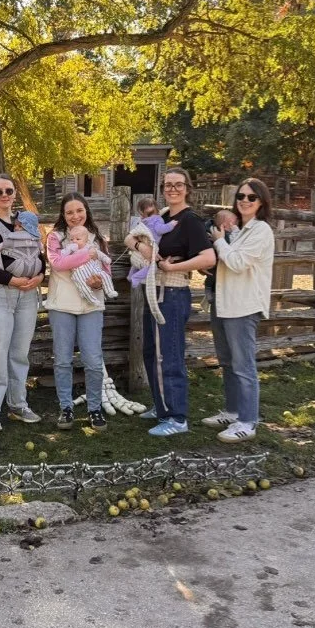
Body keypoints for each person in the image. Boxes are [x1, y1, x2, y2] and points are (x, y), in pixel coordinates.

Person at [124, 168, 215, 436]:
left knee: (169, 355)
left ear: (187, 188)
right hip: (155, 290)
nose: (172, 189)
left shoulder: (190, 221)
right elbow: (134, 238)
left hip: (172, 294)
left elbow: (208, 258)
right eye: (167, 185)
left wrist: (174, 267)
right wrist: (141, 247)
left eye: (178, 185)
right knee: (152, 352)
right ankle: (161, 406)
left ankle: (177, 417)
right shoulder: (162, 216)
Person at [203, 179, 275, 443]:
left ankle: (248, 421)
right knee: (227, 361)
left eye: (251, 197)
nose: (245, 200)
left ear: (262, 203)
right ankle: (233, 412)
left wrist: (219, 241)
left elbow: (238, 263)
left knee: (243, 365)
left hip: (243, 306)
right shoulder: (238, 229)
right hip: (223, 303)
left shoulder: (261, 231)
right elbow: (223, 264)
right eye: (241, 196)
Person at [0, 174, 45, 433]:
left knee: (19, 353)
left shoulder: (24, 223)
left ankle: (17, 403)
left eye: (8, 191)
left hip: (26, 295)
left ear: (15, 194)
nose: (4, 195)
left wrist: (39, 276)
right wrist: (11, 280)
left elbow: (38, 254)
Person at [45, 192, 111, 433]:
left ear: (86, 211)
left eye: (79, 211)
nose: (75, 216)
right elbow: (58, 264)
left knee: (93, 360)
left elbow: (106, 270)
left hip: (91, 305)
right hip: (62, 305)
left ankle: (95, 408)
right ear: (63, 215)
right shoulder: (55, 238)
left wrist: (99, 282)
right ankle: (66, 407)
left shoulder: (98, 239)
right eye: (69, 212)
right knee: (63, 360)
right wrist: (87, 253)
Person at [127, 196, 179, 286]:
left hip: (143, 244)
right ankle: (136, 277)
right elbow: (160, 229)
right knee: (152, 268)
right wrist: (171, 225)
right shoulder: (157, 219)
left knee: (137, 263)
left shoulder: (143, 221)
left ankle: (130, 276)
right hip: (151, 247)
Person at [61, 225, 118, 306]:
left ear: (86, 240)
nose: (74, 241)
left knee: (104, 275)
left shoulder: (89, 247)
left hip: (92, 267)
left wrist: (105, 259)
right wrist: (68, 250)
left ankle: (110, 290)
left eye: (78, 239)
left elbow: (98, 253)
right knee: (82, 285)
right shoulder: (70, 249)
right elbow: (62, 256)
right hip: (78, 271)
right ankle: (91, 299)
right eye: (72, 239)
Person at [202, 209, 239, 307]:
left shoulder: (211, 229)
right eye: (233, 224)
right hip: (214, 261)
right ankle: (208, 287)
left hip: (222, 263)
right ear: (224, 225)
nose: (235, 225)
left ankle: (209, 288)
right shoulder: (215, 232)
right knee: (212, 275)